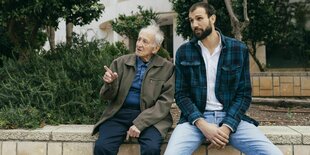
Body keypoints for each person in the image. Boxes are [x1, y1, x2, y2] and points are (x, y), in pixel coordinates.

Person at [164, 2, 282, 155]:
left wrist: (227, 127)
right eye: (191, 20)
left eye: (199, 18)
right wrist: (204, 126)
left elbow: (244, 94)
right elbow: (181, 95)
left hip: (231, 118)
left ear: (212, 19)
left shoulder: (238, 49)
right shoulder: (183, 52)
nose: (194, 24)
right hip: (195, 121)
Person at [92, 23, 175, 155]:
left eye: (145, 41)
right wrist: (110, 84)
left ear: (156, 48)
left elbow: (164, 103)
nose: (139, 44)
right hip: (119, 114)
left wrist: (141, 123)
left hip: (151, 117)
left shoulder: (167, 68)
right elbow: (105, 97)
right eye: (139, 39)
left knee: (151, 149)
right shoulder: (120, 62)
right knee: (103, 147)